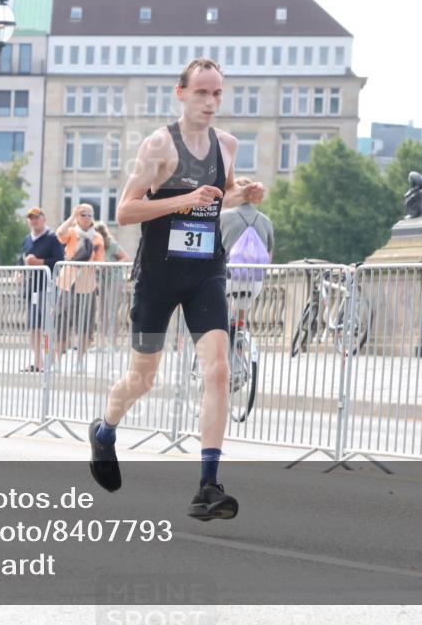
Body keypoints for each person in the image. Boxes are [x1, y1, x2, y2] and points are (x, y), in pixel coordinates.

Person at [87, 58, 265, 521]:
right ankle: (105, 430)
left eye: (217, 94)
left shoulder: (227, 144)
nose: (210, 102)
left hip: (206, 271)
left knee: (219, 372)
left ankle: (208, 484)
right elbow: (125, 211)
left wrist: (244, 192)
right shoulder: (159, 145)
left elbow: (220, 191)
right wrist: (184, 200)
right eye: (202, 92)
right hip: (159, 276)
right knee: (142, 379)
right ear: (181, 93)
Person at [54, 203, 105, 372]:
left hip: (87, 285)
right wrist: (71, 216)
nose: (87, 217)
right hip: (67, 283)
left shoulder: (97, 237)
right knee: (60, 322)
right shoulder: (72, 232)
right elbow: (59, 234)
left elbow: (100, 262)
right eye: (83, 214)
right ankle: (58, 361)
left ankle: (80, 361)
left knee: (85, 325)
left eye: (90, 214)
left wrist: (91, 264)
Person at [220, 177, 275, 319]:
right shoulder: (265, 220)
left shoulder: (222, 217)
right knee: (240, 312)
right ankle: (239, 330)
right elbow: (269, 253)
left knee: (218, 313)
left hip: (227, 279)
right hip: (254, 282)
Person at [18, 207, 64, 372]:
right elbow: (21, 259)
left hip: (47, 287)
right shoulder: (27, 239)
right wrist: (19, 272)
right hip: (32, 289)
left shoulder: (52, 238)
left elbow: (60, 262)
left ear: (43, 219)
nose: (34, 220)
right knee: (34, 327)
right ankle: (37, 362)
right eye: (31, 218)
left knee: (47, 326)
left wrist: (40, 262)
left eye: (37, 217)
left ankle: (49, 361)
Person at [93, 222, 130, 348]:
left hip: (114, 279)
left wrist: (109, 263)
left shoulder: (112, 245)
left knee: (112, 310)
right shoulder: (94, 246)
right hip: (102, 280)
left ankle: (112, 343)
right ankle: (101, 342)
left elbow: (126, 258)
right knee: (102, 311)